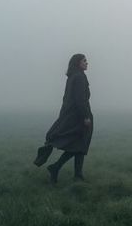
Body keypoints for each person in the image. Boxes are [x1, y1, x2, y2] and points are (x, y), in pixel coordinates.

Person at [33, 53, 93, 183]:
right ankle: (59, 168)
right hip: (79, 116)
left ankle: (76, 174)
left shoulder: (72, 76)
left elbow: (67, 99)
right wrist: (86, 116)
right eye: (84, 61)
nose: (87, 63)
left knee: (78, 146)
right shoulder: (79, 77)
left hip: (72, 114)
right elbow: (79, 100)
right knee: (79, 145)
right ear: (78, 63)